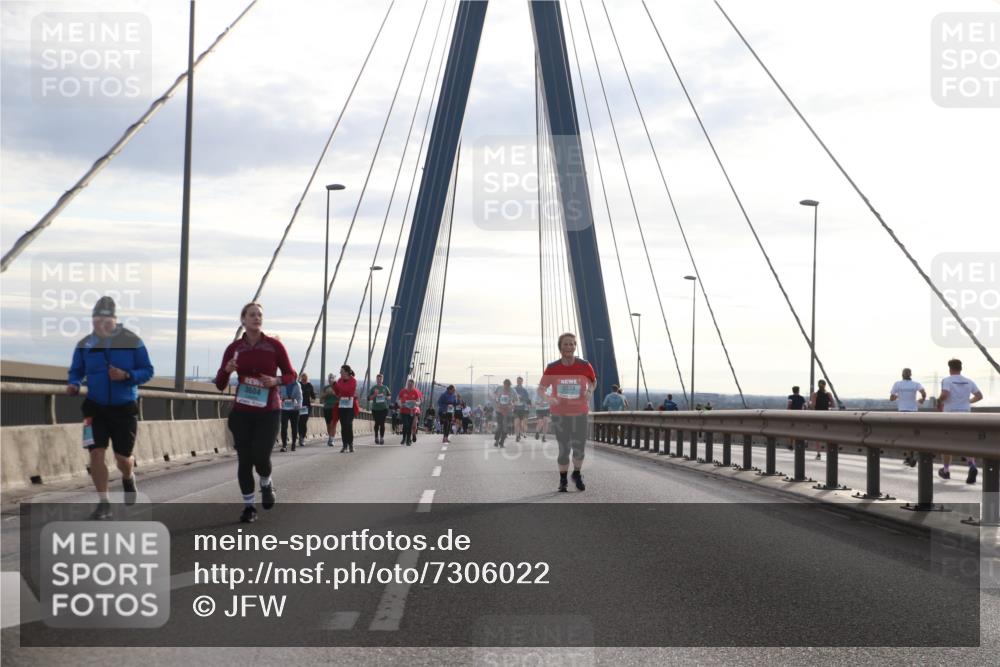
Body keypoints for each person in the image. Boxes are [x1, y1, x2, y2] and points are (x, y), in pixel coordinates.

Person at [68, 296, 154, 519]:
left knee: (122, 459)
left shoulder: (132, 341)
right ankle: (104, 502)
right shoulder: (85, 344)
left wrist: (126, 375)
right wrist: (74, 383)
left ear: (114, 320)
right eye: (96, 321)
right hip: (94, 409)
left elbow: (148, 370)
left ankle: (128, 477)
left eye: (105, 321)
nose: (100, 325)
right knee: (96, 453)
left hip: (124, 407)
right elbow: (76, 370)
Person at [215, 302, 296, 523]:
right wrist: (227, 370)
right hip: (242, 412)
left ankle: (266, 481)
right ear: (243, 319)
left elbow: (291, 374)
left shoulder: (274, 346)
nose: (256, 318)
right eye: (252, 315)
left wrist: (276, 380)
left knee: (261, 456)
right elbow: (220, 384)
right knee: (245, 459)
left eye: (259, 315)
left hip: (269, 410)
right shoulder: (234, 349)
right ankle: (249, 507)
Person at [538, 332, 597, 492]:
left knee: (579, 448)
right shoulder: (552, 368)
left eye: (572, 344)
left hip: (580, 413)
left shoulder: (585, 365)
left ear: (575, 347)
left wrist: (590, 391)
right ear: (560, 347)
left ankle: (576, 474)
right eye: (566, 344)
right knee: (564, 449)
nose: (569, 347)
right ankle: (563, 480)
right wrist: (548, 398)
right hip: (560, 414)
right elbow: (541, 389)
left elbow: (593, 381)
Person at [937, 358, 984, 483]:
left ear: (950, 368)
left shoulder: (947, 380)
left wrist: (939, 401)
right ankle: (972, 465)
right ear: (961, 368)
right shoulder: (969, 381)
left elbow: (945, 394)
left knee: (947, 443)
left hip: (950, 415)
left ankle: (946, 470)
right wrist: (968, 401)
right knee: (966, 441)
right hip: (965, 414)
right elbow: (979, 396)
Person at [890, 368, 926, 466]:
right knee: (913, 434)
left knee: (905, 435)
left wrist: (897, 396)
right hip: (913, 412)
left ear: (902, 374)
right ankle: (911, 456)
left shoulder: (897, 384)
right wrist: (922, 399)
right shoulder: (915, 384)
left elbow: (891, 398)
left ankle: (909, 457)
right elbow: (923, 392)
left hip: (903, 412)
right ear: (910, 374)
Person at [331, 365, 359, 453]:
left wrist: (337, 386)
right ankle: (344, 445)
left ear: (346, 372)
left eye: (342, 371)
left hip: (351, 407)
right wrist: (334, 385)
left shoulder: (353, 381)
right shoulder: (339, 380)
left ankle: (350, 444)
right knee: (343, 425)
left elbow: (348, 391)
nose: (340, 373)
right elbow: (338, 392)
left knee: (348, 424)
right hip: (342, 406)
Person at [809, 379, 833, 459]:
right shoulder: (828, 394)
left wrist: (810, 404)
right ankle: (830, 452)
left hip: (818, 416)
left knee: (818, 436)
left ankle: (818, 453)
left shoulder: (814, 394)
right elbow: (833, 404)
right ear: (825, 385)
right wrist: (827, 404)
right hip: (826, 416)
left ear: (818, 385)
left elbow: (813, 405)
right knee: (827, 434)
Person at [278, 377, 302, 453]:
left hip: (294, 409)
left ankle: (293, 444)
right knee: (284, 426)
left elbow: (300, 397)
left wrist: (299, 405)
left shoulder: (297, 385)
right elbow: (278, 394)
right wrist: (280, 401)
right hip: (284, 408)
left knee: (294, 427)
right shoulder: (282, 384)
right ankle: (284, 445)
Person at [397, 379, 422, 446]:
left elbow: (419, 402)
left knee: (409, 426)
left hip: (412, 412)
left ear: (413, 385)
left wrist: (416, 403)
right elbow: (398, 400)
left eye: (411, 385)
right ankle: (404, 438)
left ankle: (408, 440)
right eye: (409, 384)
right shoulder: (403, 391)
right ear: (407, 384)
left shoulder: (415, 392)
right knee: (406, 425)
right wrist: (400, 404)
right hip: (404, 411)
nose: (410, 386)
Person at [368, 373, 391, 444]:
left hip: (384, 408)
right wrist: (374, 395)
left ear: (382, 380)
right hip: (375, 409)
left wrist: (386, 397)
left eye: (380, 379)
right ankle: (376, 437)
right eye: (378, 379)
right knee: (377, 423)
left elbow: (389, 396)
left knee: (382, 423)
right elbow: (368, 399)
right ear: (376, 380)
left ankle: (381, 438)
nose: (379, 380)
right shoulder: (373, 388)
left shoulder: (385, 387)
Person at [494, 379, 516, 448]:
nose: (506, 387)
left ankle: (502, 442)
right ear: (503, 384)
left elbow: (516, 400)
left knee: (506, 427)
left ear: (510, 385)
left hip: (508, 411)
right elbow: (495, 396)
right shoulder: (499, 388)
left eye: (508, 386)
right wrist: (497, 402)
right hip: (499, 410)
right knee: (500, 426)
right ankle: (497, 441)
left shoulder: (513, 391)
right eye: (505, 386)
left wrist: (512, 405)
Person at [297, 373, 315, 449]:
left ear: (307, 378)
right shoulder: (298, 385)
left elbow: (313, 396)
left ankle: (302, 438)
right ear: (301, 378)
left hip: (306, 407)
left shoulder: (309, 386)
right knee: (299, 422)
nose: (304, 378)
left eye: (305, 377)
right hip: (299, 406)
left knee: (304, 422)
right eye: (303, 377)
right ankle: (300, 435)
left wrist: (313, 398)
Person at [513, 377, 533, 442]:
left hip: (523, 409)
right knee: (516, 423)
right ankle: (517, 436)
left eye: (520, 381)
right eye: (518, 381)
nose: (519, 382)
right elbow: (511, 398)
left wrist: (522, 399)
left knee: (522, 424)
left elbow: (528, 399)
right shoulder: (513, 390)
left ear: (522, 382)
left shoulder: (524, 390)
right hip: (516, 409)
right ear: (516, 381)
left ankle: (522, 433)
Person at [320, 373, 337, 447]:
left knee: (333, 424)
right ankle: (330, 437)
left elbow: (340, 396)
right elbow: (321, 397)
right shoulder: (326, 388)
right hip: (327, 407)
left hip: (334, 407)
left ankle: (332, 439)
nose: (331, 379)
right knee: (328, 424)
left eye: (332, 378)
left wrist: (334, 393)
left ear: (334, 379)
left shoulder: (337, 387)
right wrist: (326, 394)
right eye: (329, 378)